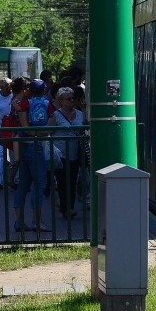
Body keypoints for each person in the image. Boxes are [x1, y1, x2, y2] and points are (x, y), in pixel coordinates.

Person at [13, 78, 54, 232]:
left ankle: (19, 221)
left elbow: (20, 116)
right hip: (38, 146)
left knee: (23, 184)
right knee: (39, 184)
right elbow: (52, 121)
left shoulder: (26, 103)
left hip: (25, 144)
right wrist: (44, 132)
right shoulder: (46, 104)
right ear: (44, 90)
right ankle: (37, 221)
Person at [49, 87, 85, 219]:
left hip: (75, 153)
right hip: (60, 154)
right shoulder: (56, 115)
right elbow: (49, 130)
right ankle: (66, 209)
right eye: (68, 98)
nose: (72, 100)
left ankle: (69, 207)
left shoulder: (80, 114)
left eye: (73, 98)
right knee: (63, 182)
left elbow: (86, 127)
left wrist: (85, 109)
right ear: (61, 101)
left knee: (72, 182)